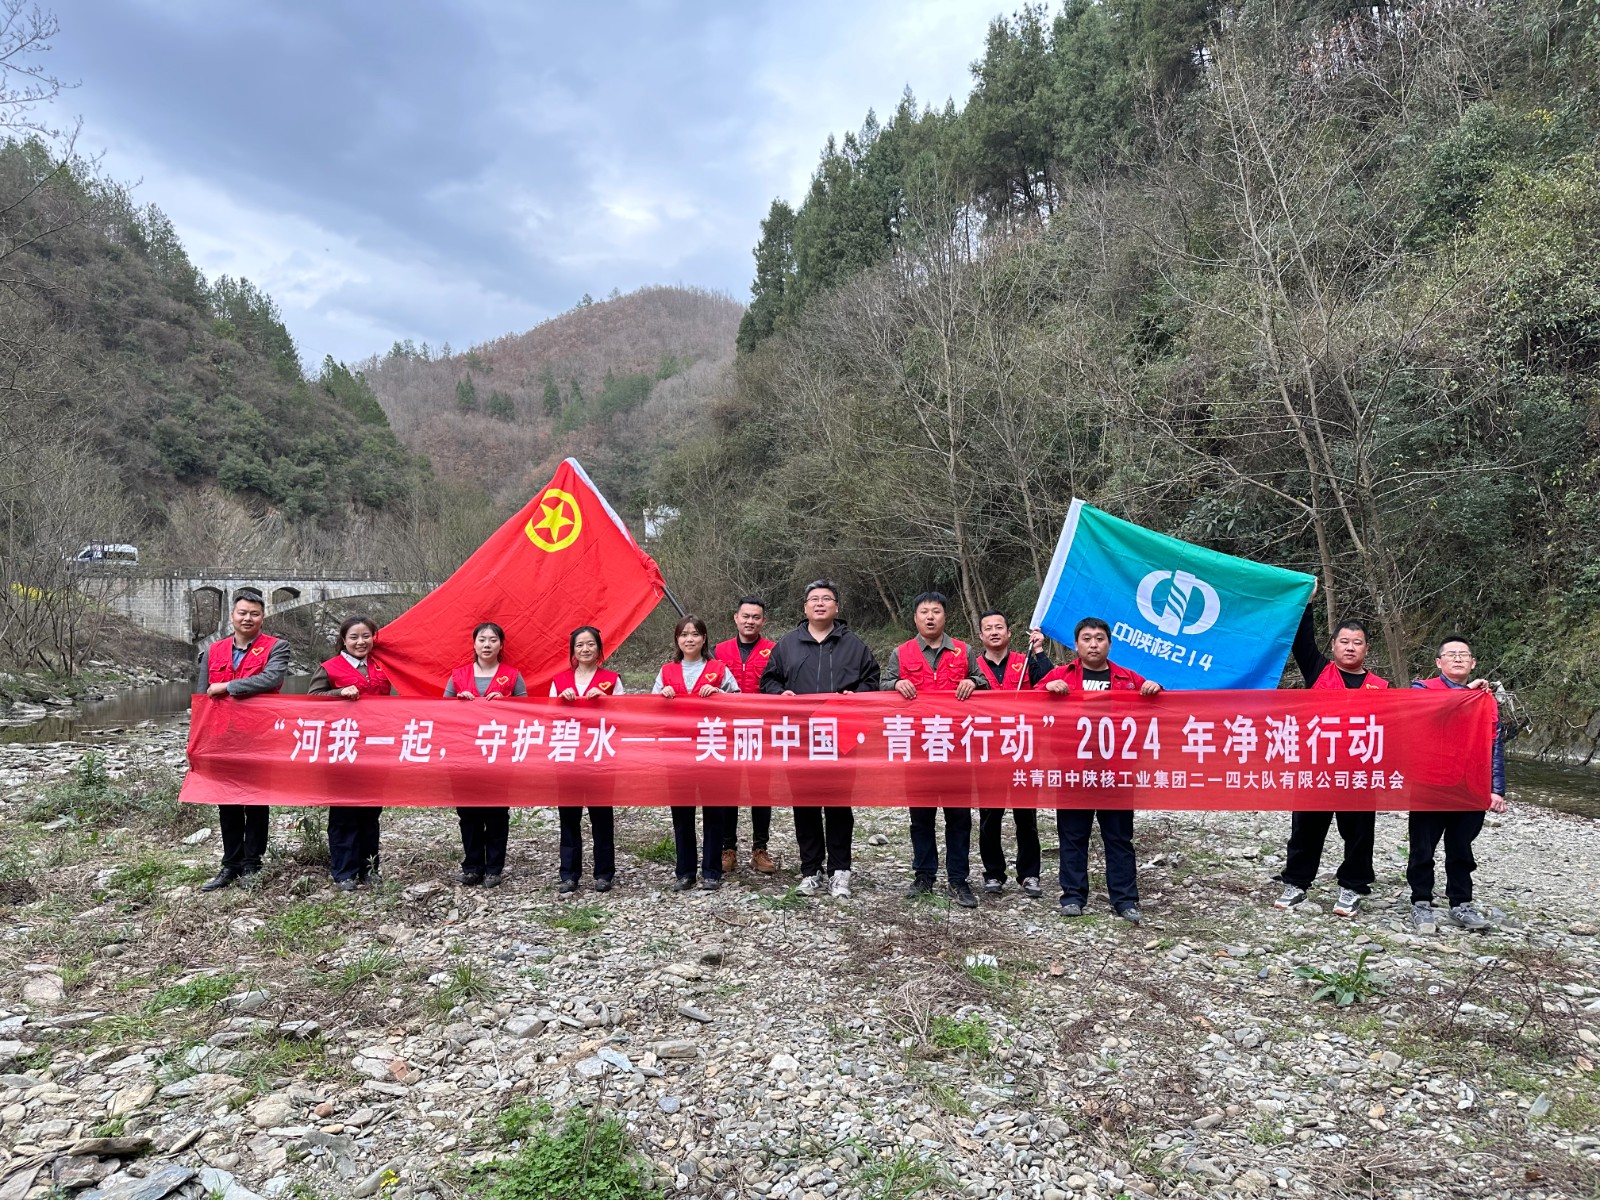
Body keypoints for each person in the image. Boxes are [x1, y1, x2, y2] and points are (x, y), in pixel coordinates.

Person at [761, 580, 880, 899]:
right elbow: (769, 680)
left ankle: (840, 871)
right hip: (800, 737)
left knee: (839, 805)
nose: (820, 603)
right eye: (814, 599)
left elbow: (872, 679)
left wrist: (856, 695)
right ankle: (811, 870)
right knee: (805, 805)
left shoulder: (854, 645)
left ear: (836, 607)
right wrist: (780, 693)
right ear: (805, 607)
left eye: (827, 598)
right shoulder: (787, 644)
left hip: (841, 736)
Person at [1040, 617, 1163, 924]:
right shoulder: (1061, 675)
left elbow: (1158, 704)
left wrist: (1155, 687)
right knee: (1072, 835)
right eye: (1086, 639)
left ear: (1109, 644)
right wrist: (1045, 688)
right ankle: (1073, 896)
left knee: (1119, 837)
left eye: (1099, 639)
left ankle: (1125, 899)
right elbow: (1028, 704)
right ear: (1076, 644)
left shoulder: (1127, 678)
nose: (1093, 644)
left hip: (1115, 771)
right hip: (1074, 770)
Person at [1274, 606, 1389, 917]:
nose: (1350, 647)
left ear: (1366, 648)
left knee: (1359, 834)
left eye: (1357, 642)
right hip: (1317, 769)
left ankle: (1353, 887)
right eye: (1344, 641)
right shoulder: (1319, 671)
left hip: (1358, 773)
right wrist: (1306, 603)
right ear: (1334, 644)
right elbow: (1301, 641)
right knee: (1305, 829)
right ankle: (1296, 883)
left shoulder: (1382, 688)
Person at [881, 591, 987, 907]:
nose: (930, 617)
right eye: (924, 612)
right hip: (918, 748)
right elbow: (882, 686)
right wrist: (895, 684)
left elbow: (984, 682)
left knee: (959, 818)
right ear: (915, 618)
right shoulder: (901, 653)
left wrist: (973, 681)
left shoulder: (964, 651)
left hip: (956, 748)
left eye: (936, 611)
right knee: (921, 818)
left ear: (945, 616)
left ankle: (958, 879)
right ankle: (924, 876)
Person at [1408, 636, 1507, 932]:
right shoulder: (1422, 689)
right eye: (1451, 654)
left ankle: (1461, 903)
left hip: (1469, 784)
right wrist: (1465, 693)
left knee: (1461, 848)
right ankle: (1421, 901)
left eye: (1464, 654)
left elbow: (1494, 743)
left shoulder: (1486, 700)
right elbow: (1428, 713)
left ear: (1473, 663)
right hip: (1429, 784)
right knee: (1423, 847)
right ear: (1439, 662)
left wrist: (1496, 789)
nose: (1458, 658)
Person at [197, 588, 290, 893]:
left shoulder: (277, 647)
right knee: (227, 803)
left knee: (256, 801)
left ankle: (252, 864)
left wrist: (228, 686)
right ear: (232, 616)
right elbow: (201, 697)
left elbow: (271, 679)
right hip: (221, 736)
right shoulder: (213, 650)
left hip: (260, 736)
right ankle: (230, 865)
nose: (248, 618)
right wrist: (198, 739)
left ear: (262, 617)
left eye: (254, 613)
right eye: (243, 613)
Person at [654, 615, 741, 891]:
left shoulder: (719, 669)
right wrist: (662, 697)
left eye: (694, 634)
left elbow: (739, 702)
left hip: (710, 749)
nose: (689, 639)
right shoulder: (666, 671)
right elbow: (650, 709)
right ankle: (685, 871)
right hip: (677, 751)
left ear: (704, 639)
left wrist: (719, 693)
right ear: (677, 639)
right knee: (682, 813)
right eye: (684, 634)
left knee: (714, 812)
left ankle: (712, 871)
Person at [308, 614, 394, 892]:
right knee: (344, 811)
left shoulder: (381, 667)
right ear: (343, 640)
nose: (360, 642)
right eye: (354, 637)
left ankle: (369, 868)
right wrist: (338, 694)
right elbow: (311, 701)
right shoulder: (329, 668)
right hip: (341, 748)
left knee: (370, 811)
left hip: (375, 748)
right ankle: (344, 871)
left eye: (366, 636)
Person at [973, 612, 1054, 898]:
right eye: (988, 628)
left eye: (999, 627)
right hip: (988, 751)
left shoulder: (1025, 661)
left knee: (1026, 817)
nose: (994, 632)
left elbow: (1049, 681)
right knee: (989, 816)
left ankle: (1029, 874)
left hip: (1023, 750)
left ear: (1008, 632)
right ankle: (993, 873)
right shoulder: (973, 667)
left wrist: (1039, 650)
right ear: (981, 635)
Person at [444, 622, 526, 887]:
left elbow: (528, 712)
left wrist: (507, 704)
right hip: (463, 754)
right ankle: (472, 866)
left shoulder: (512, 676)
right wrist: (458, 703)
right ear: (474, 643)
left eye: (492, 640)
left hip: (499, 754)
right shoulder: (458, 676)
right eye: (482, 639)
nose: (487, 644)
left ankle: (494, 868)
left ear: (501, 645)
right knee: (468, 814)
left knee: (497, 813)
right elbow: (441, 712)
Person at [551, 625, 621, 894]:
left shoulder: (611, 680)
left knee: (601, 817)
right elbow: (548, 717)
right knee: (569, 817)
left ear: (599, 648)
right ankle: (569, 874)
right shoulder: (560, 682)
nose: (585, 649)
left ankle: (604, 873)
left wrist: (606, 701)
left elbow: (626, 716)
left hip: (600, 756)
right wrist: (560, 702)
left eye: (590, 644)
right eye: (579, 645)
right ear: (573, 651)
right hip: (568, 755)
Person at [713, 595, 778, 875]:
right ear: (736, 618)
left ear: (763, 621)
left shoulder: (774, 650)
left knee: (761, 791)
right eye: (746, 616)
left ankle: (759, 849)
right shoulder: (718, 650)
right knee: (727, 790)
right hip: (726, 731)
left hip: (761, 730)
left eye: (756, 617)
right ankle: (727, 848)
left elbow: (779, 684)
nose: (750, 621)